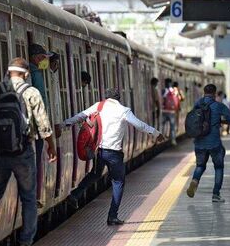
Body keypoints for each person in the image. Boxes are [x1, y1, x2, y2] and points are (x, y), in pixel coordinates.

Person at [0, 58, 57, 246]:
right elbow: (43, 123)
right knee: (29, 198)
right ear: (25, 74)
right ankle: (25, 242)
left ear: (8, 72)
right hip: (23, 152)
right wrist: (51, 145)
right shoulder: (31, 92)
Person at [63, 88, 164, 225]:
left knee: (95, 174)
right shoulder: (123, 110)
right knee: (118, 182)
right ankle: (112, 216)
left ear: (107, 97)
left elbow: (80, 116)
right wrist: (156, 133)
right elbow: (139, 125)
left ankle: (75, 195)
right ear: (118, 99)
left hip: (100, 151)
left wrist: (64, 123)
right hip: (114, 154)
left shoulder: (99, 106)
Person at [186, 84, 230, 202]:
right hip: (214, 142)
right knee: (218, 167)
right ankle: (216, 195)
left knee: (200, 166)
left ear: (204, 92)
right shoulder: (218, 106)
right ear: (214, 93)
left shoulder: (197, 104)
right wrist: (220, 120)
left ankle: (194, 181)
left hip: (199, 142)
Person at [28, 44, 54, 208]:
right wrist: (48, 137)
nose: (46, 62)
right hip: (36, 129)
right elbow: (41, 103)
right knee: (35, 162)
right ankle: (34, 195)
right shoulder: (36, 73)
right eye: (44, 58)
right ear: (37, 58)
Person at [162, 78, 178, 145]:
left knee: (162, 125)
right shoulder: (174, 91)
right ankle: (173, 140)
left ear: (165, 83)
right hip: (172, 111)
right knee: (172, 126)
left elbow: (161, 100)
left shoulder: (163, 91)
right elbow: (178, 99)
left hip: (165, 111)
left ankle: (162, 137)